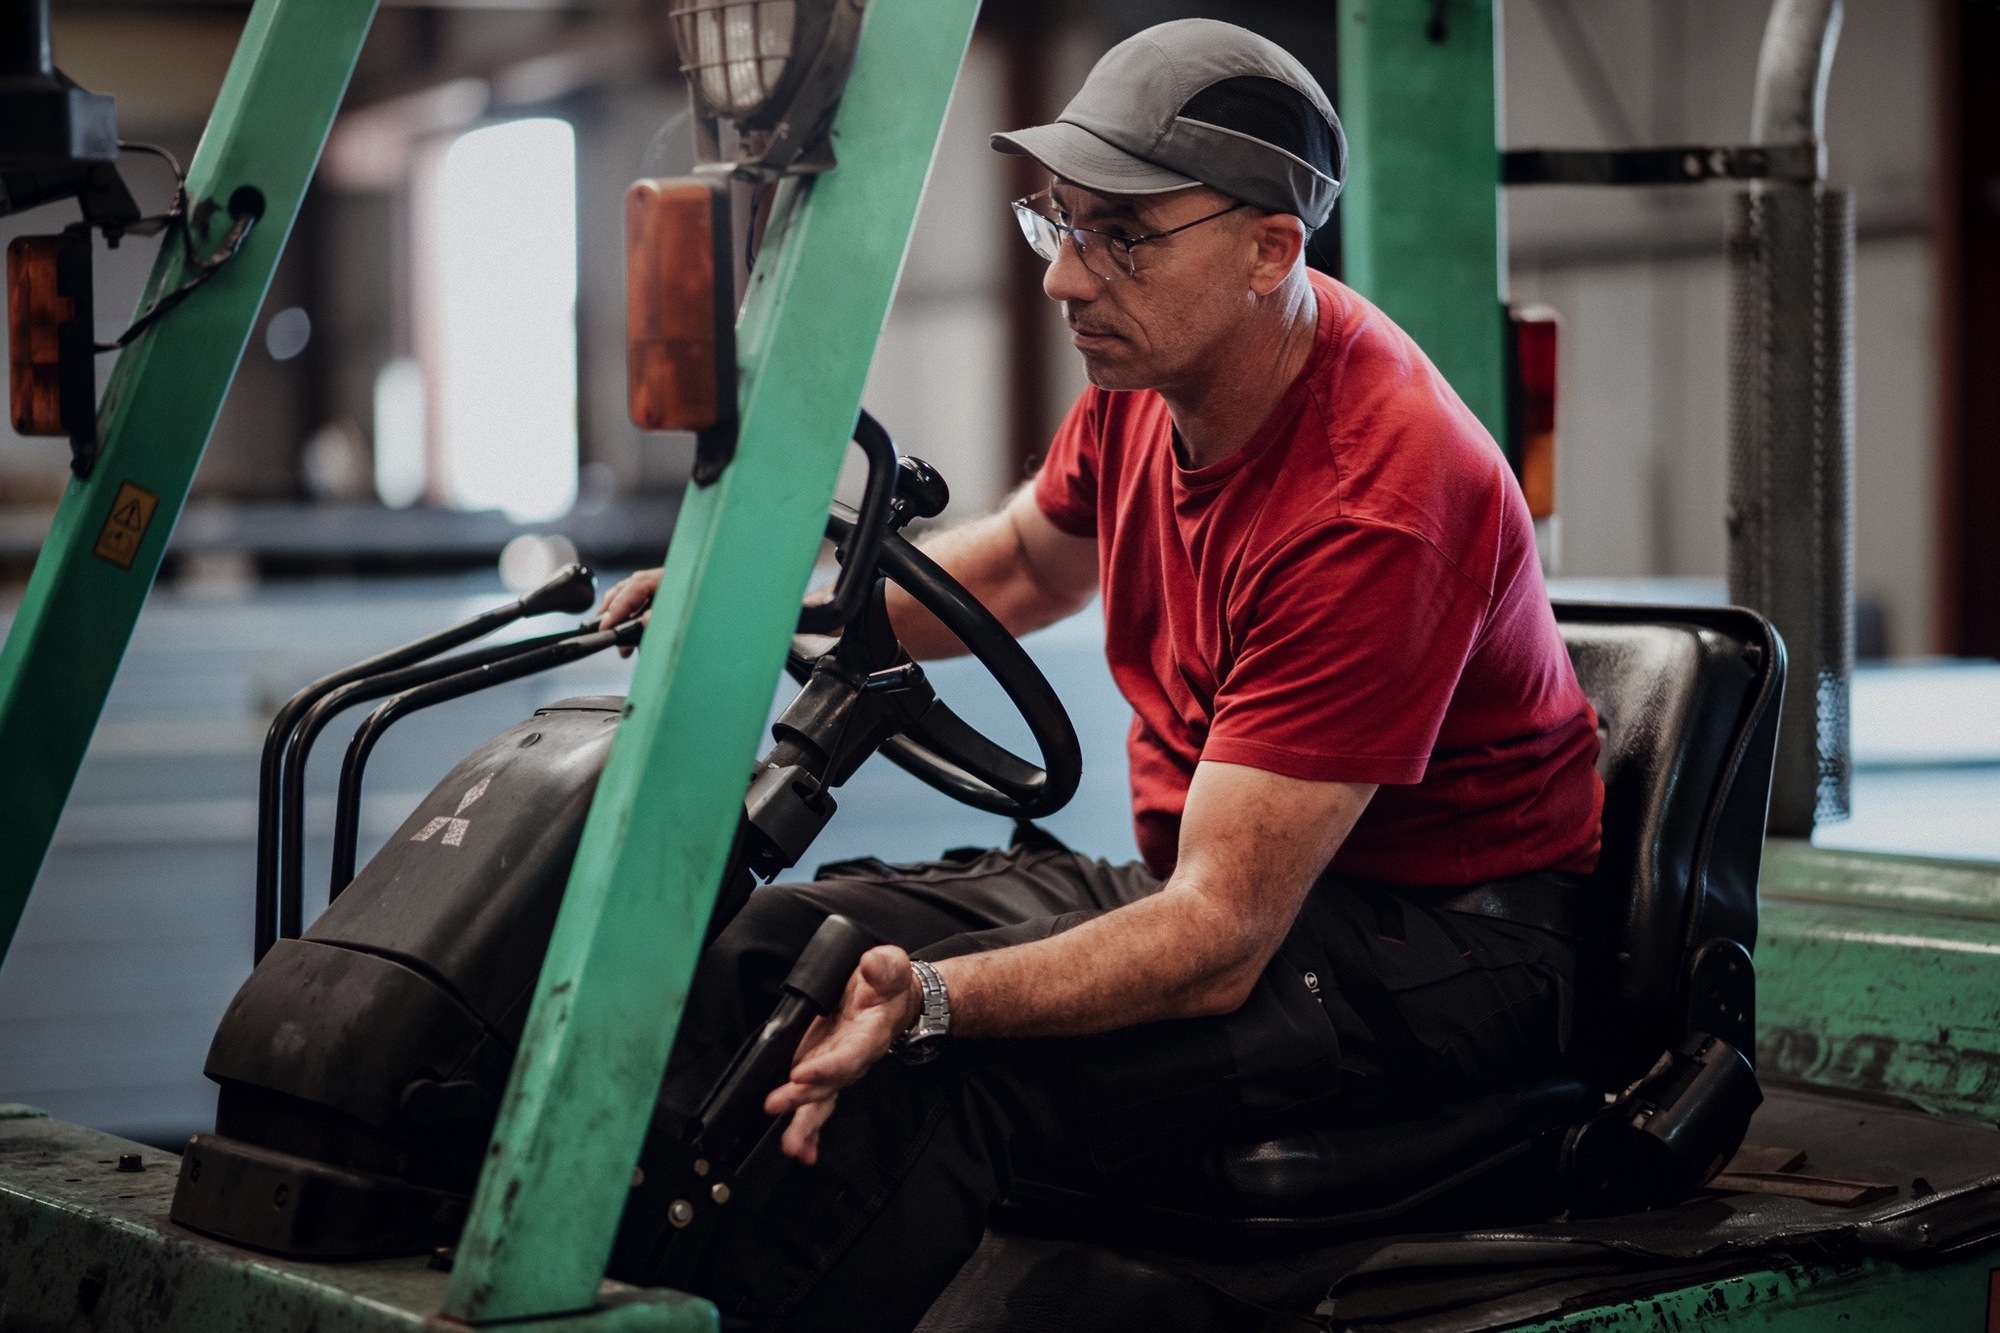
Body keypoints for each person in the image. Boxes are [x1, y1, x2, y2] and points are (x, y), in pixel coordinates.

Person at [596, 18, 1603, 1331]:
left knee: (952, 1072)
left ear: (1269, 250)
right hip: (1224, 877)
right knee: (780, 947)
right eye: (1058, 225)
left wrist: (938, 1002)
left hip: (1436, 951)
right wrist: (762, 616)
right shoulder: (1152, 370)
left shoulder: (1376, 502)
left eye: (1120, 234)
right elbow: (1019, 565)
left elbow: (1223, 939)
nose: (1068, 280)